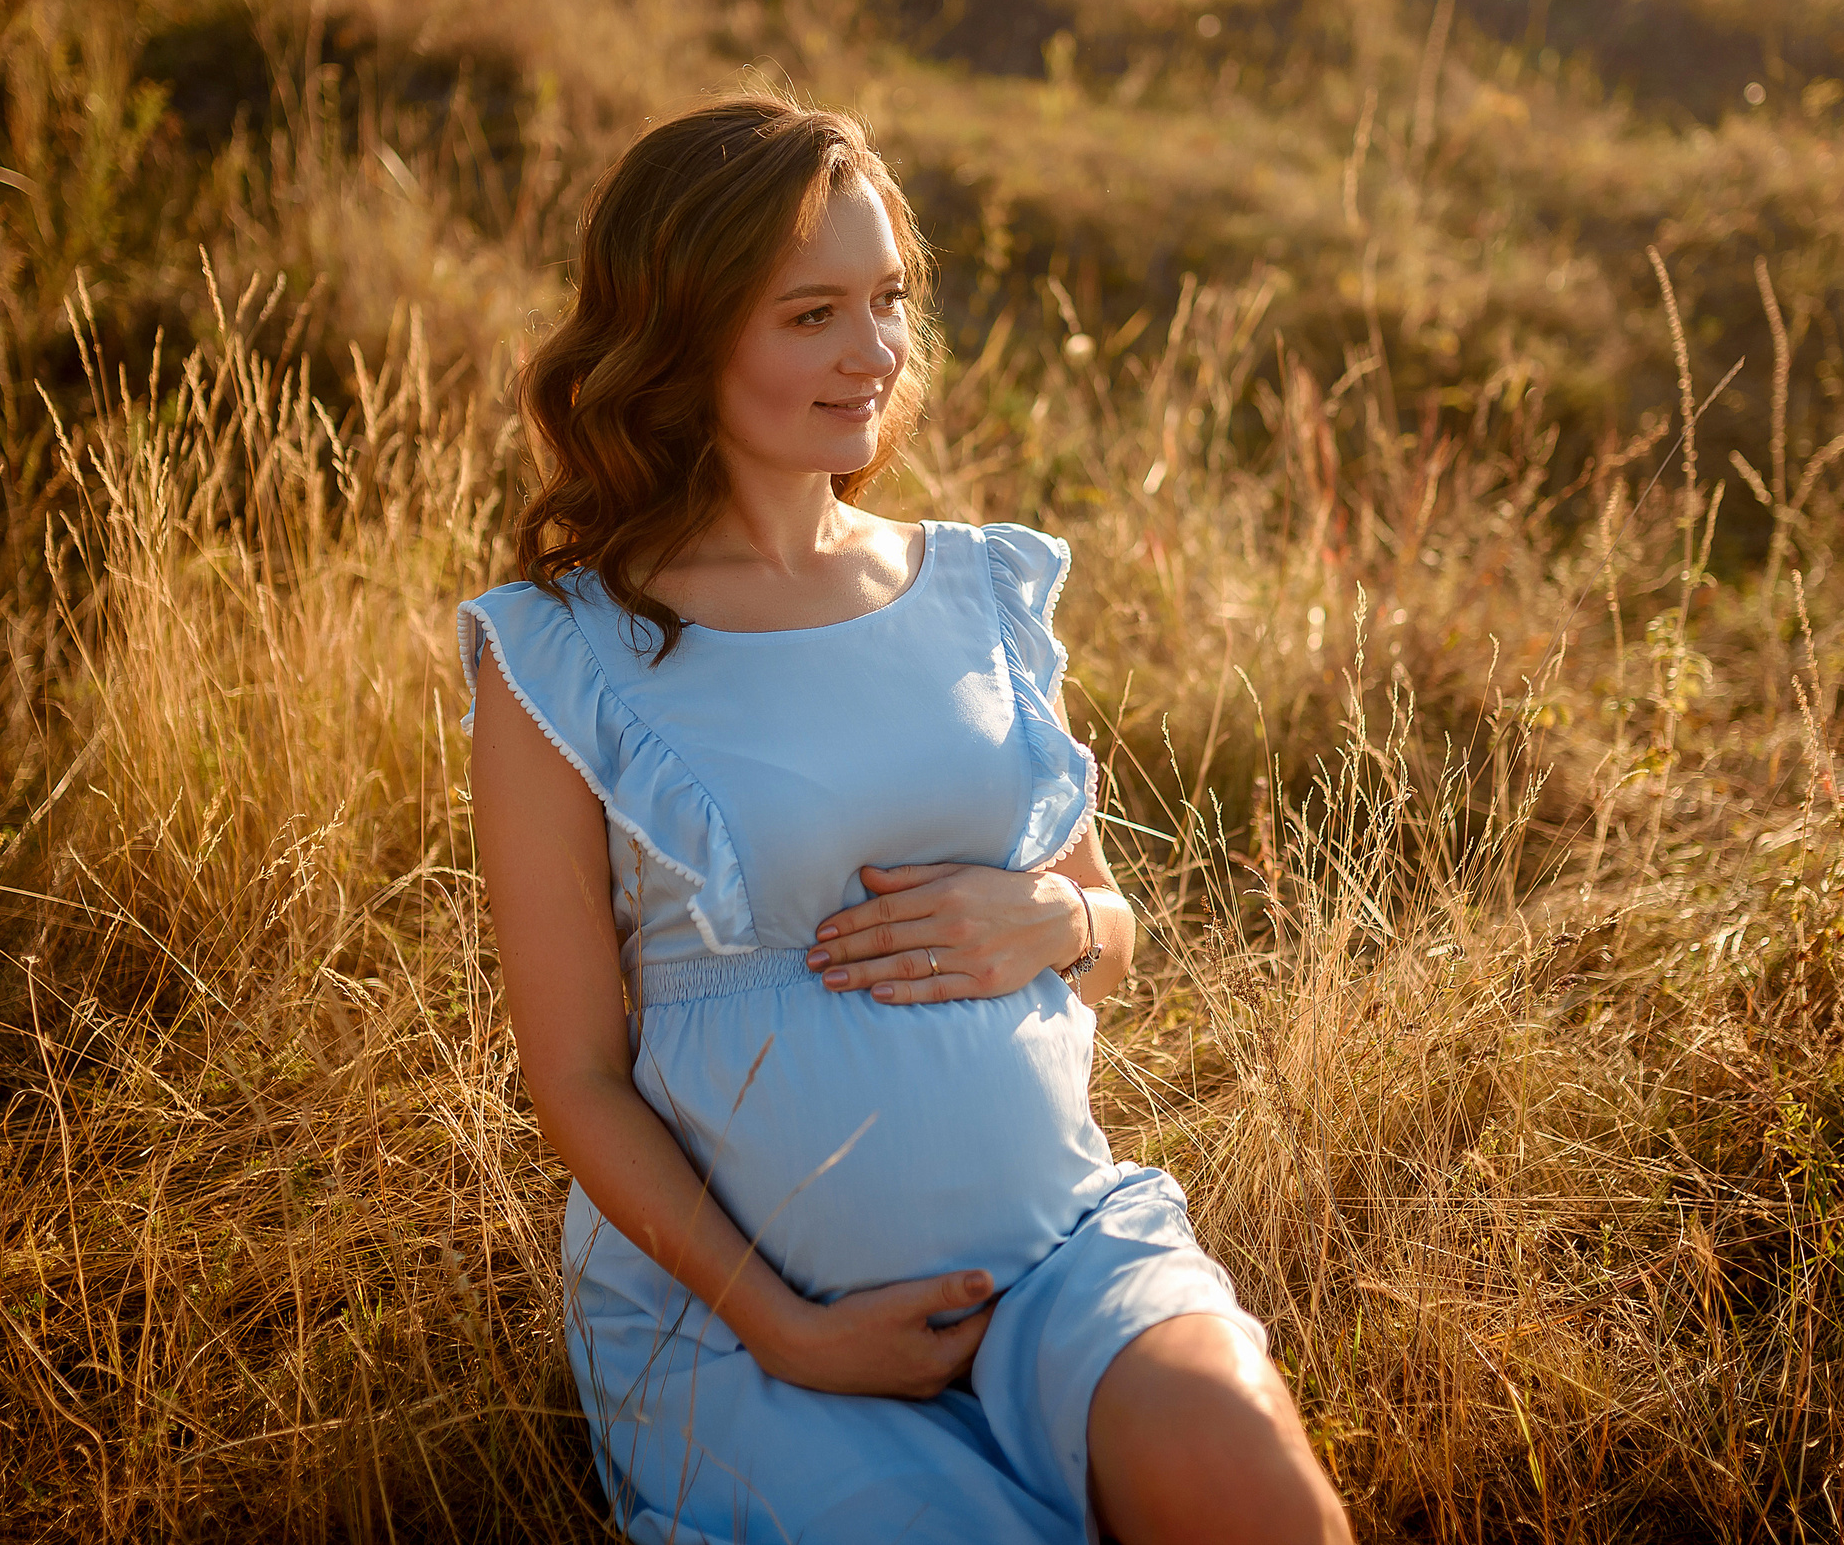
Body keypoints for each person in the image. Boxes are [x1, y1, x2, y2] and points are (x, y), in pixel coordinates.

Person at [461, 94, 1354, 1544]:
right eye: (811, 312)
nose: (873, 351)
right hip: (752, 1335)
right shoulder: (559, 652)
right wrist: (787, 1326)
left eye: (886, 301)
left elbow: (1109, 936)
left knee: (1260, 1496)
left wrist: (1059, 915)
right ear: (682, 340)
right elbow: (573, 1075)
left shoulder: (978, 591)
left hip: (1058, 1255)